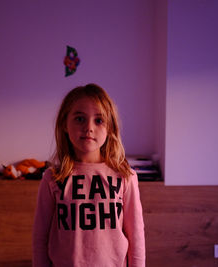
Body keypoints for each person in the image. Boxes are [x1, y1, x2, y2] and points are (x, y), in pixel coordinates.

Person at [32, 84, 145, 267]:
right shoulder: (53, 178)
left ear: (110, 127)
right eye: (79, 119)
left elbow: (136, 236)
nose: (89, 128)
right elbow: (40, 238)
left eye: (99, 120)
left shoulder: (125, 177)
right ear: (64, 124)